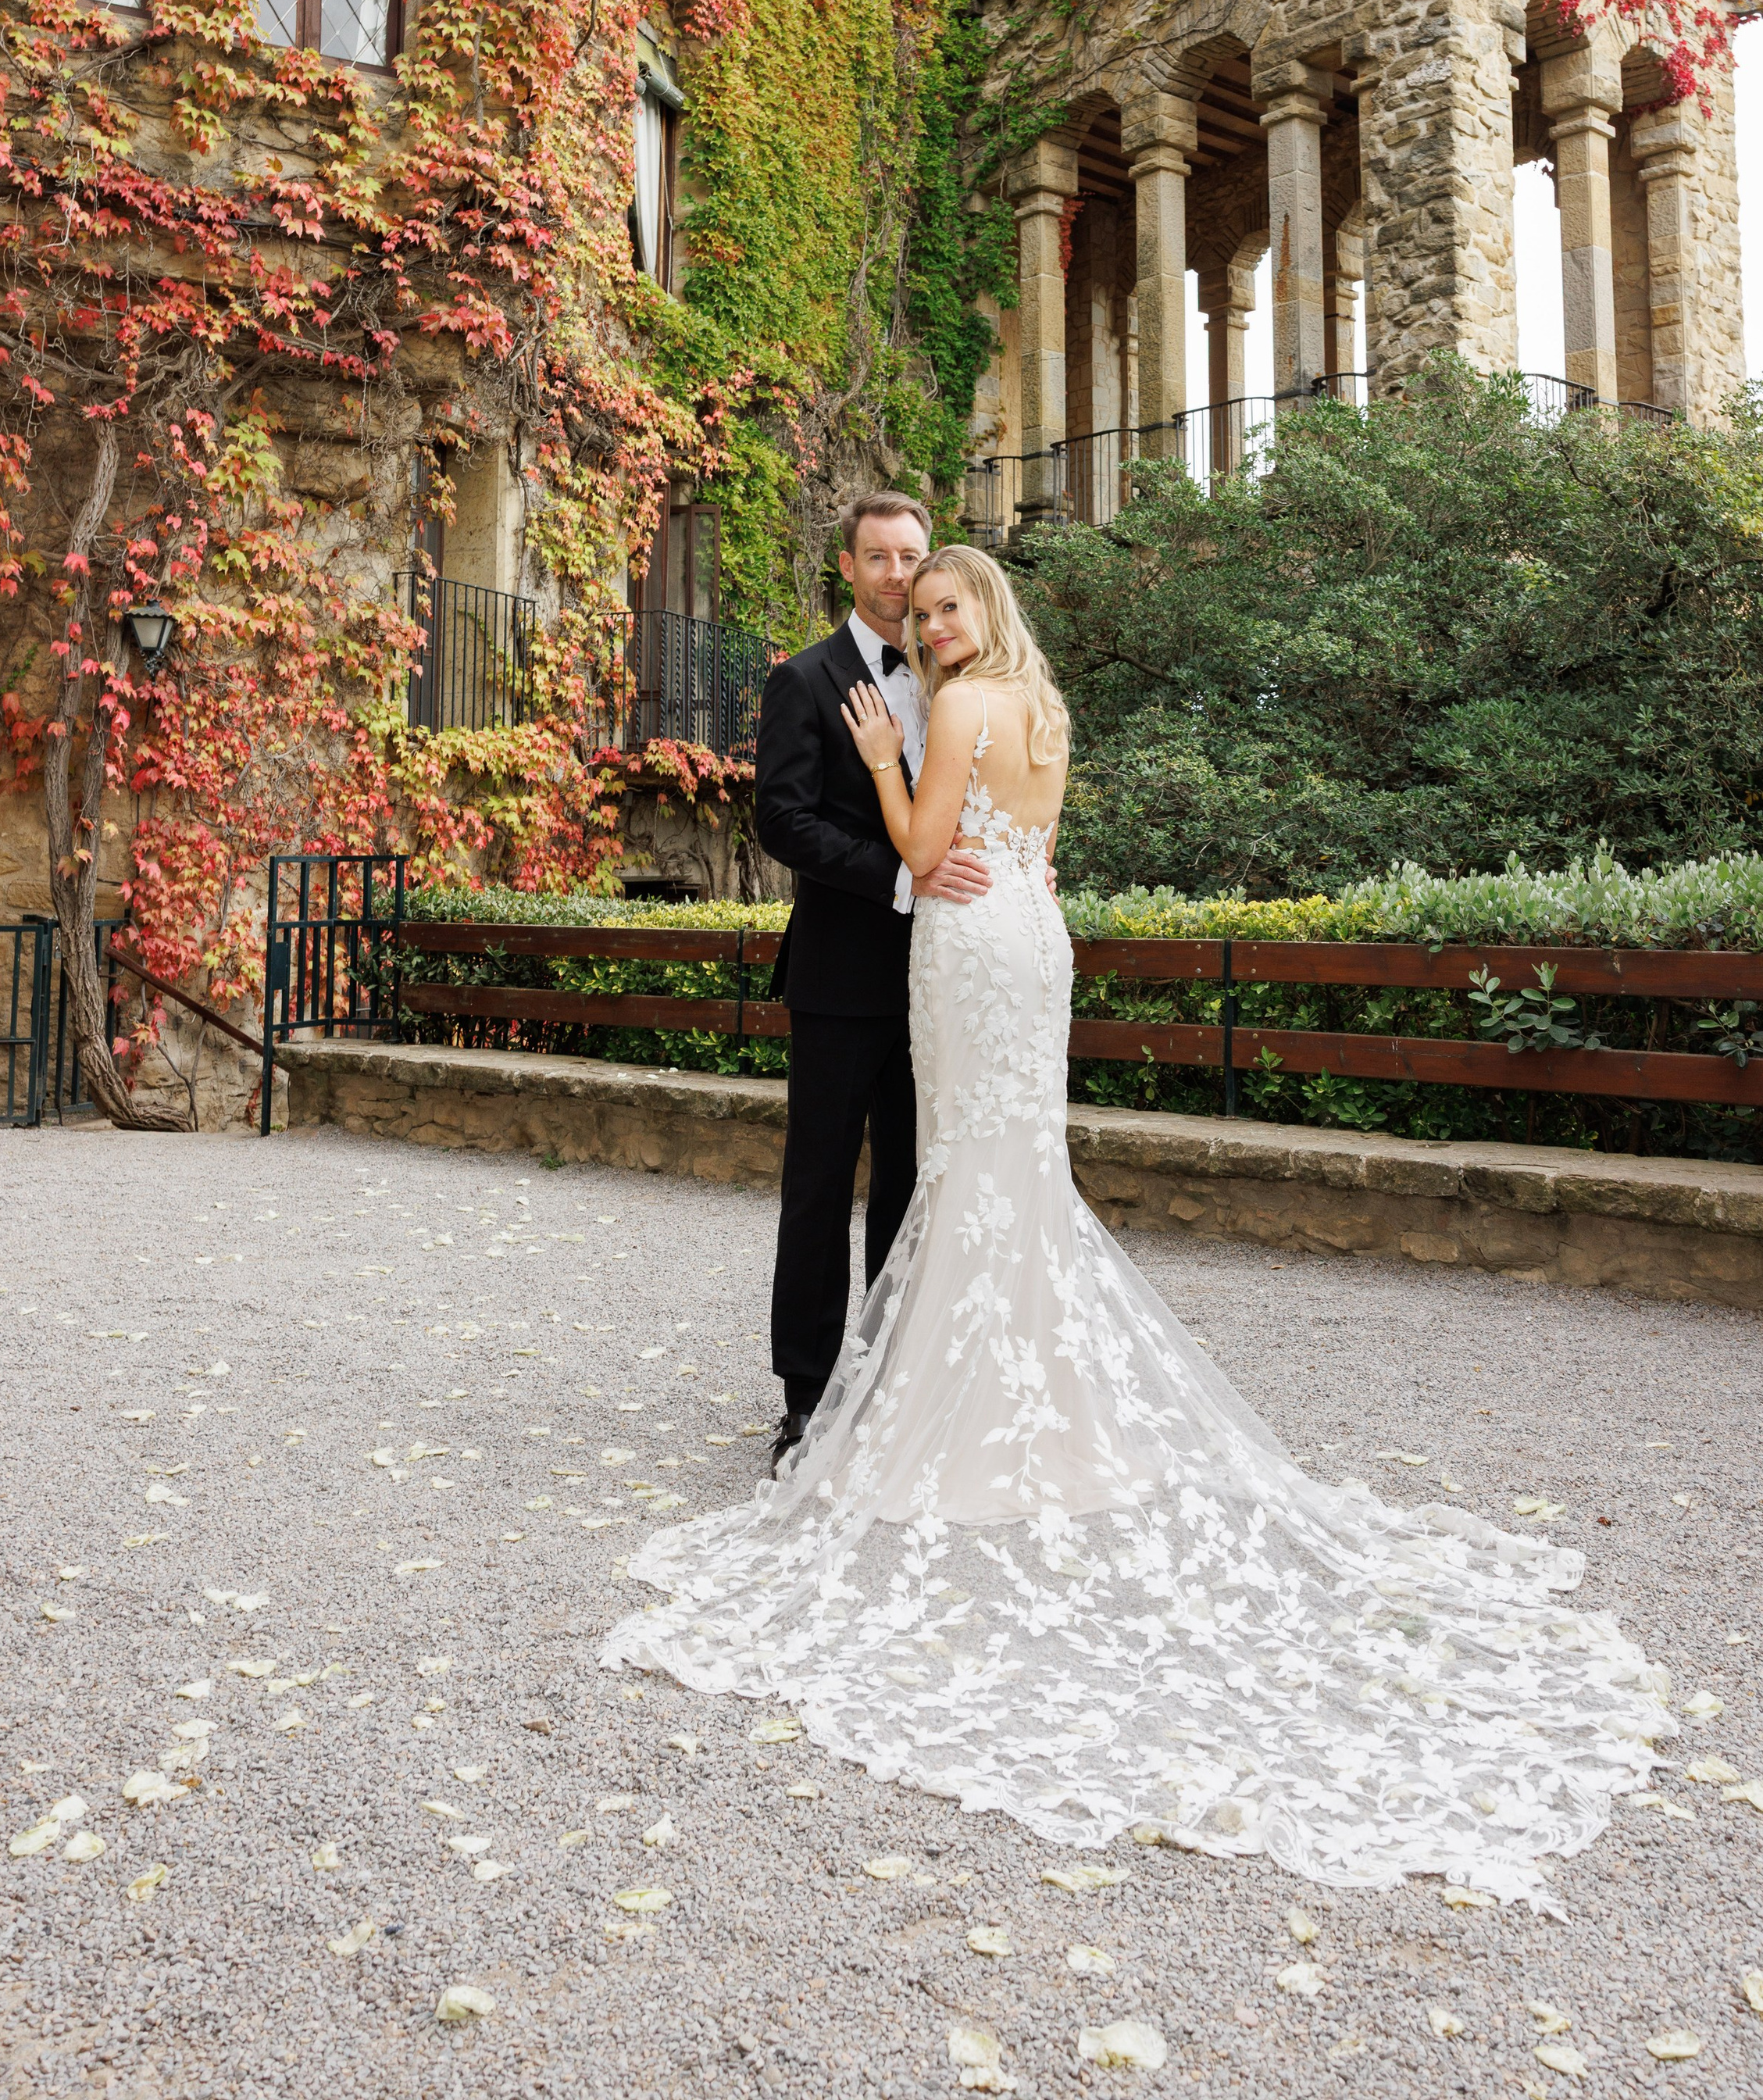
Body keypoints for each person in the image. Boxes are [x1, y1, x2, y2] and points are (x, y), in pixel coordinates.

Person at [605, 548, 1668, 1895]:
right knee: (1008, 1177)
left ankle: (959, 1420)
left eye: (945, 604)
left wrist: (885, 758)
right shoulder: (1044, 710)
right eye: (915, 605)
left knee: (972, 1182)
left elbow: (930, 853)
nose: (928, 621)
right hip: (1032, 946)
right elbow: (1021, 846)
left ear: (982, 613)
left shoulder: (962, 707)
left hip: (972, 949)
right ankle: (1013, 1403)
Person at [749, 494, 990, 1474]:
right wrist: (901, 876)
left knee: (910, 1180)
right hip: (842, 975)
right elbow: (782, 821)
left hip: (941, 974)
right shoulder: (803, 680)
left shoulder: (955, 679)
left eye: (914, 557)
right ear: (847, 565)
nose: (899, 576)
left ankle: (892, 1381)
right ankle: (805, 1399)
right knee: (818, 1187)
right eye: (880, 558)